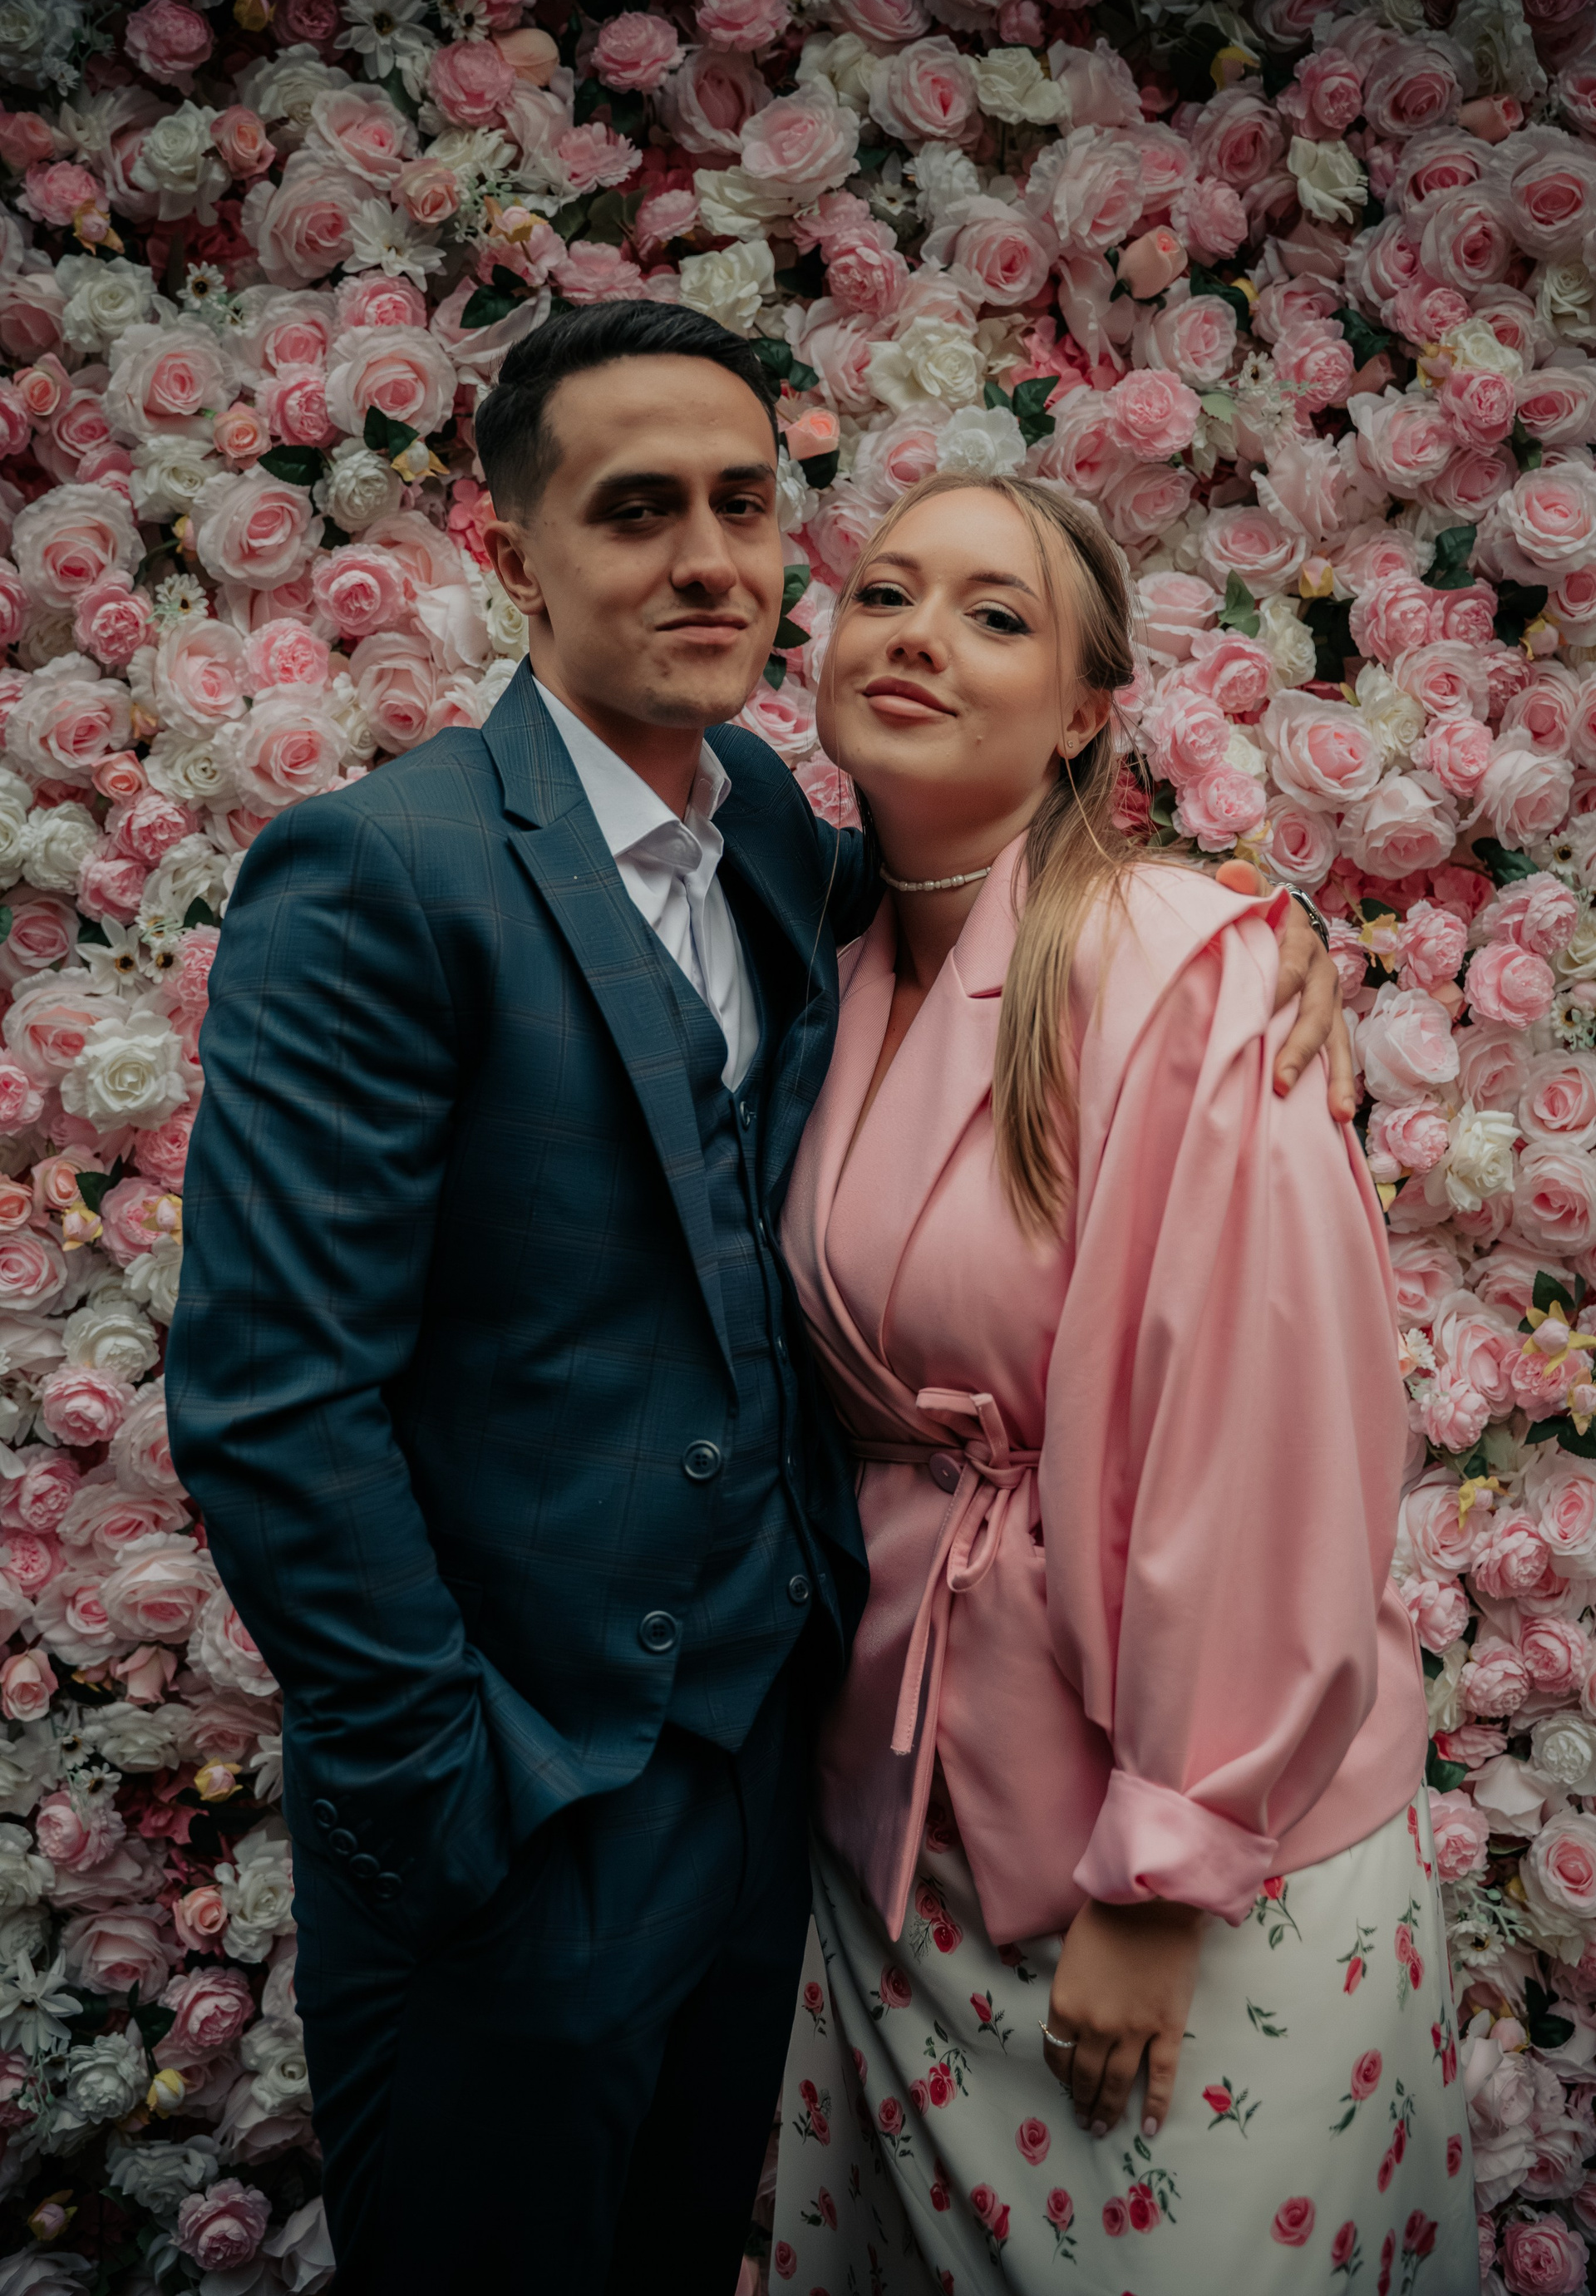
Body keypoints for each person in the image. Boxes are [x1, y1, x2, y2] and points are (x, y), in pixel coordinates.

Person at [165, 303, 1347, 2294]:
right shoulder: (379, 873)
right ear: (509, 549)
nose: (711, 559)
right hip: (513, 1824)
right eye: (639, 510)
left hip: (769, 1812)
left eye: (746, 505)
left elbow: (1008, 910)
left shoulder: (780, 842)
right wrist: (452, 1808)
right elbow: (275, 1408)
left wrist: (1245, 921)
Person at [769, 471, 1478, 2293]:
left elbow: (1263, 1437)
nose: (919, 636)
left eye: (996, 614)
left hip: (1182, 1836)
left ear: (1088, 713)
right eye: (886, 593)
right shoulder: (822, 969)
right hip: (905, 1819)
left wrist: (1173, 1860)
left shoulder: (1181, 965)